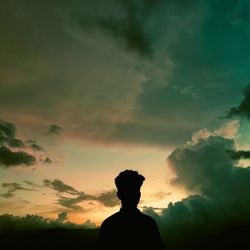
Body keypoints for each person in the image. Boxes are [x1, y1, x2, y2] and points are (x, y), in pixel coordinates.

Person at [97, 170, 164, 250]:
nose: (134, 195)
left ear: (119, 195)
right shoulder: (148, 223)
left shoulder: (108, 224)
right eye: (130, 192)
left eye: (135, 192)